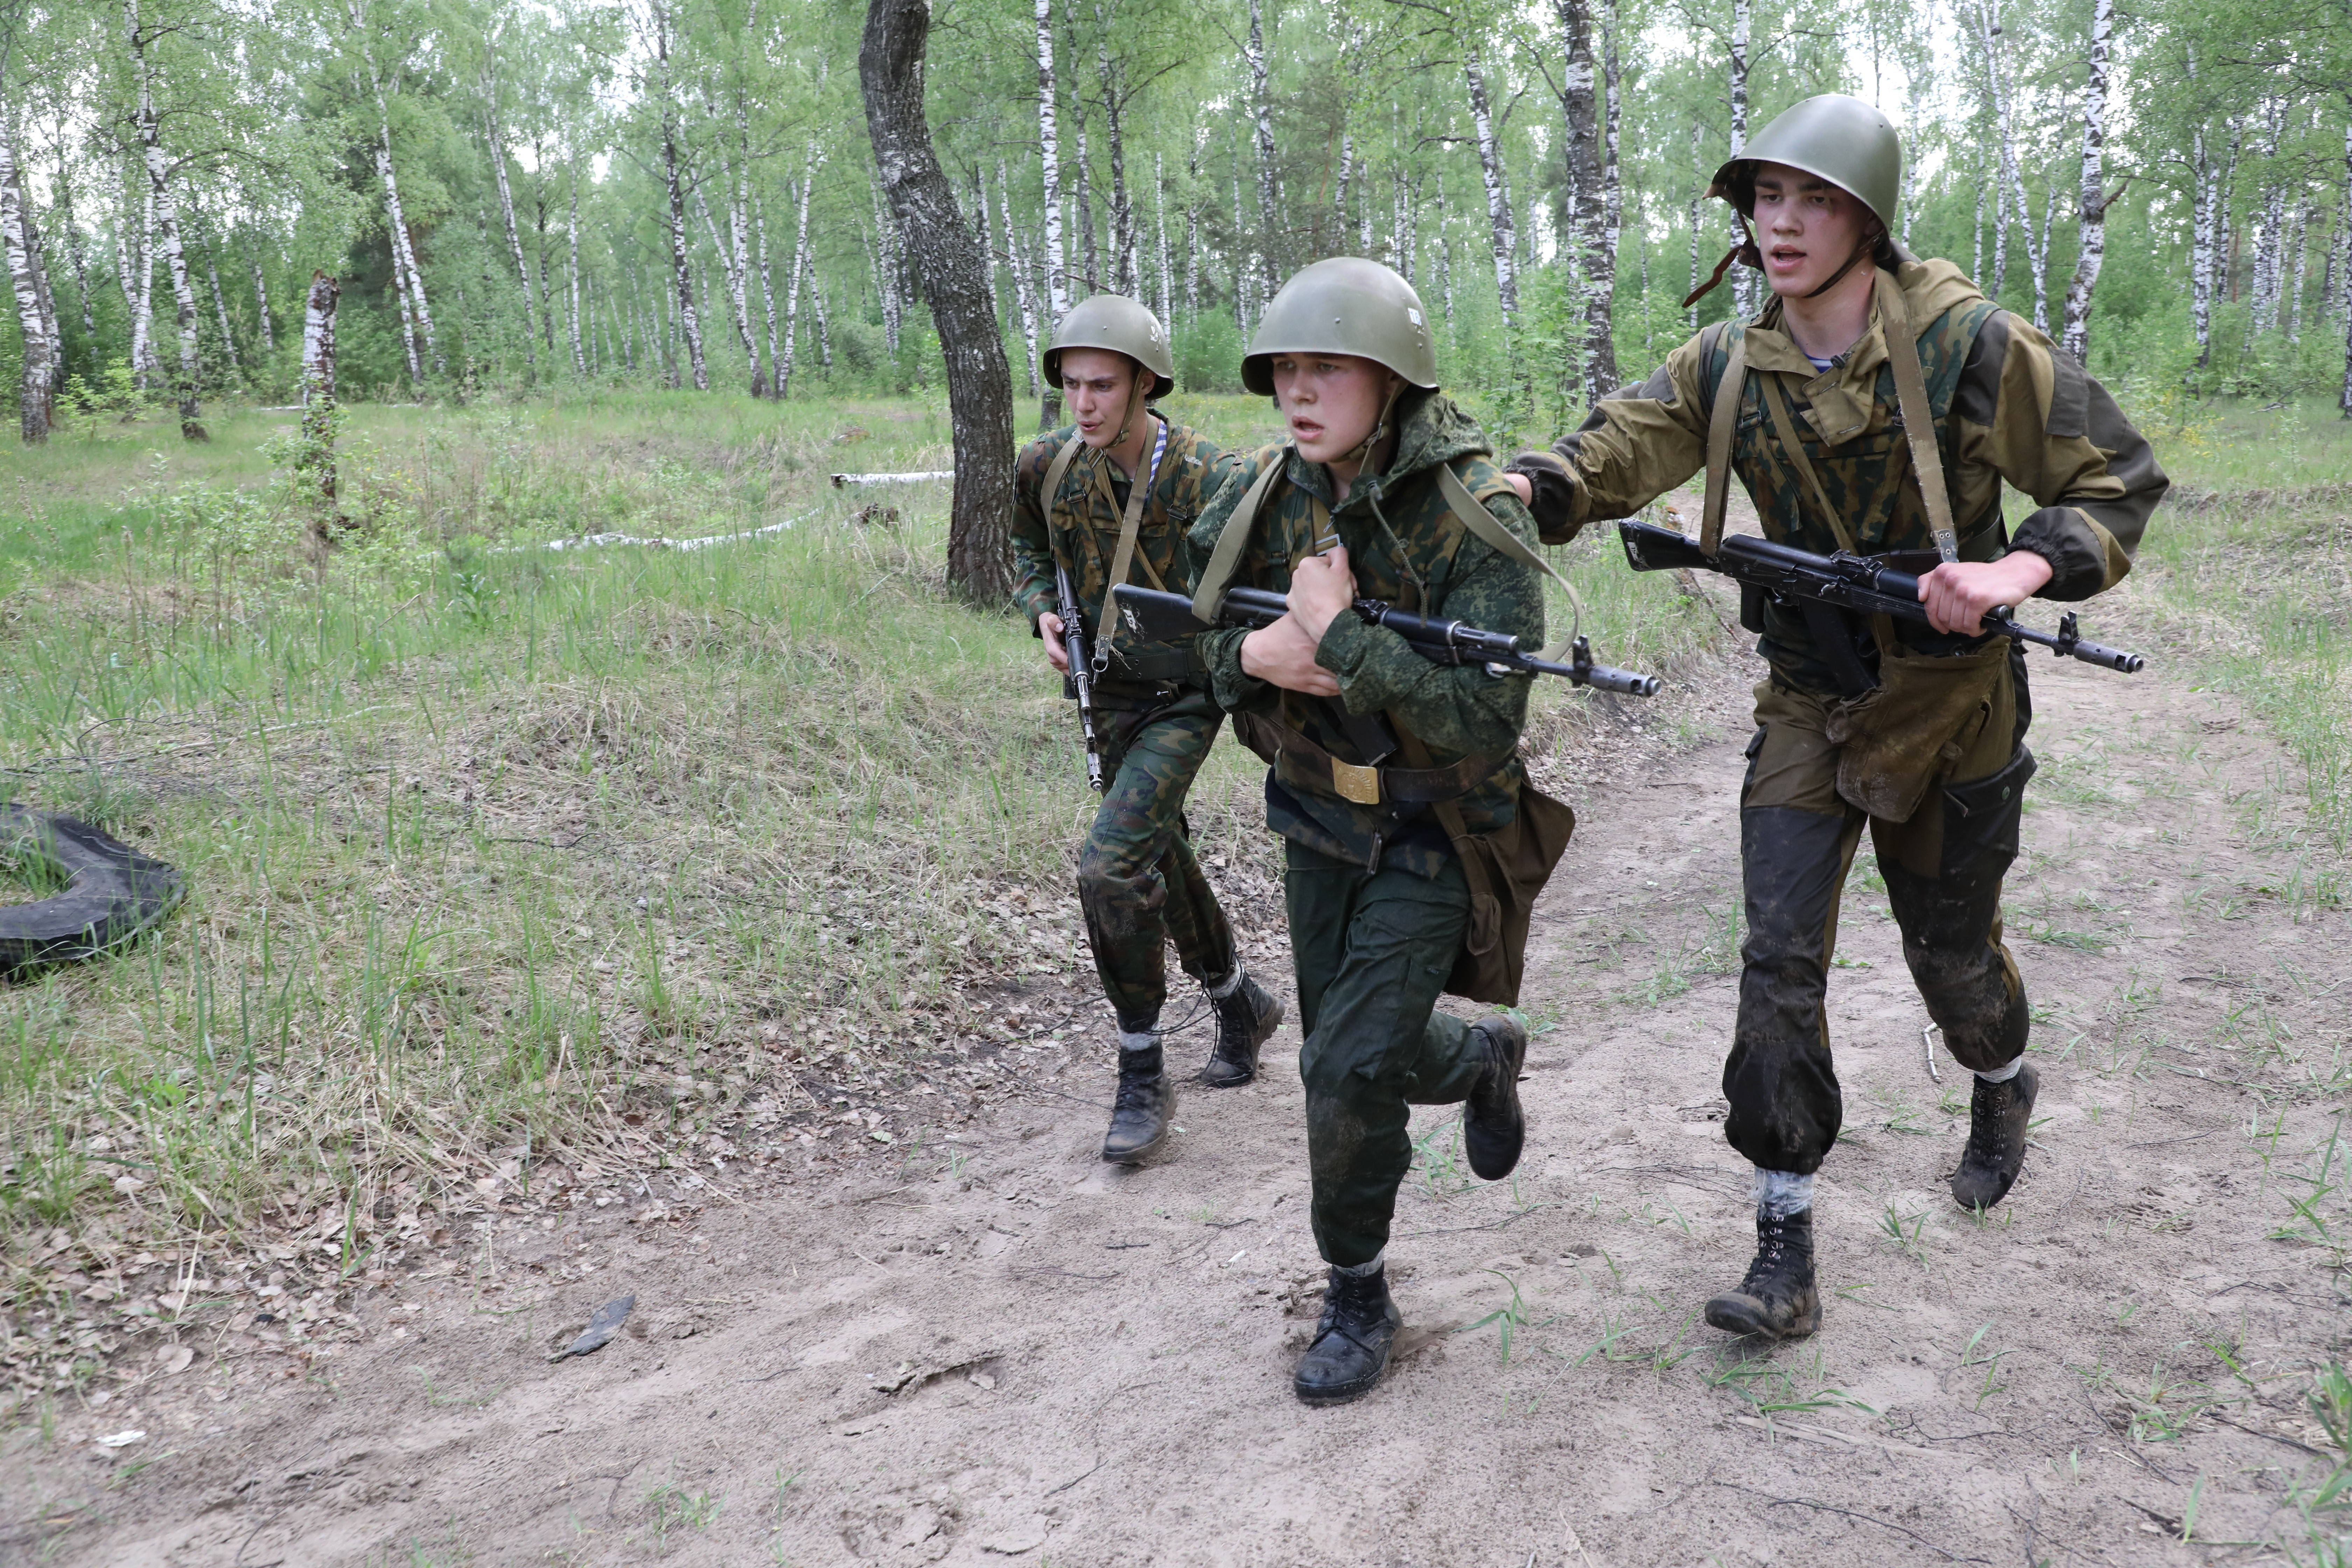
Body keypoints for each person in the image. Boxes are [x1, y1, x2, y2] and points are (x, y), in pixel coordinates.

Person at [1499, 94, 2168, 1341]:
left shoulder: (1970, 345)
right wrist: (1530, 482)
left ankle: (2000, 1080)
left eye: (1811, 201)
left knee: (1950, 964)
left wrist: (2013, 575)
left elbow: (2116, 477)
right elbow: (1613, 452)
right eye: (1764, 200)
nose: (1782, 224)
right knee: (1776, 961)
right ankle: (1782, 1236)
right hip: (1809, 698)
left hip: (1951, 700)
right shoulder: (1728, 368)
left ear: (1866, 219)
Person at [1189, 258, 1567, 1405]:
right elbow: (1176, 643)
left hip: (1438, 830)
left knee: (1343, 1064)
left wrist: (1346, 643)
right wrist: (1252, 657)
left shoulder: (1473, 518)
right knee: (1359, 1053)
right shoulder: (1262, 495)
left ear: (1392, 379)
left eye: (1328, 368)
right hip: (1315, 816)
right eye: (1284, 371)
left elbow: (1486, 725)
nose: (1299, 393)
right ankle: (1485, 1058)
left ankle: (1356, 1293)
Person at [1010, 295, 1283, 1166]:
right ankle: (1238, 1000)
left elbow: (1270, 583)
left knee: (1109, 865)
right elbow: (1026, 547)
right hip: (1110, 693)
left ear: (1144, 386)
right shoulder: (1049, 467)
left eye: (1102, 386)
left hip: (1189, 693)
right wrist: (1042, 610)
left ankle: (1140, 1064)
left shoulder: (1208, 473)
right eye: (1072, 384)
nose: (1083, 402)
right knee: (1155, 847)